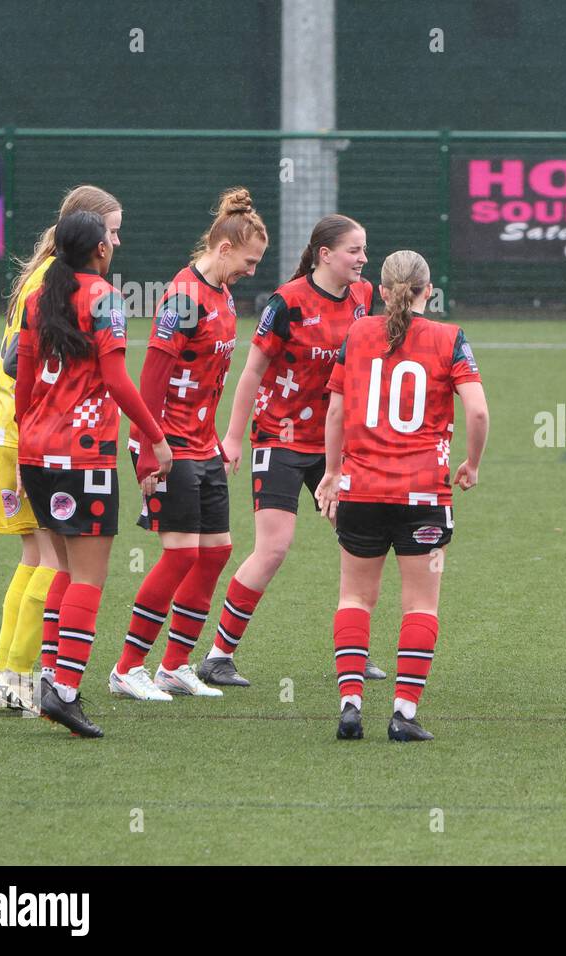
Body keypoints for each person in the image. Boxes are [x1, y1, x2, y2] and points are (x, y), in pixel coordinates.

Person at [200, 215, 379, 687]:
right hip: (278, 439)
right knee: (274, 548)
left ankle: (355, 651)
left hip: (333, 444)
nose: (363, 259)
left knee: (359, 541)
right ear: (325, 254)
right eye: (354, 250)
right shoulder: (287, 302)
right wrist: (233, 437)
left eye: (364, 250)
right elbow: (252, 372)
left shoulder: (364, 297)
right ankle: (218, 656)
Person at [316, 249, 487, 742]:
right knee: (420, 606)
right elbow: (477, 412)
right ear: (427, 291)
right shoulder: (449, 337)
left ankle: (350, 705)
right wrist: (472, 463)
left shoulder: (358, 332)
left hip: (362, 491)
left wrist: (333, 473)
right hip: (424, 496)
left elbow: (334, 413)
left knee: (354, 597)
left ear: (382, 291)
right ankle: (403, 714)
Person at [15, 210, 172, 737]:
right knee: (87, 578)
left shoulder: (39, 296)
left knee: (64, 569)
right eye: (111, 236)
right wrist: (156, 436)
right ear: (99, 249)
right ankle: (64, 692)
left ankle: (49, 678)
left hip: (37, 450)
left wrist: (24, 445)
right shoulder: (104, 297)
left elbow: (24, 381)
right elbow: (118, 381)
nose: (116, 242)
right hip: (83, 455)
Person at [110, 187, 268, 700]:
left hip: (202, 446)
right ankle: (126, 668)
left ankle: (174, 666)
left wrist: (217, 438)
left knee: (216, 551)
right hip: (168, 443)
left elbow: (208, 380)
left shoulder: (223, 294)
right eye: (248, 261)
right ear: (223, 249)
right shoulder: (183, 297)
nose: (252, 271)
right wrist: (147, 449)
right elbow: (152, 379)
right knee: (179, 555)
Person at [0, 185, 122, 714]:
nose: (116, 241)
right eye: (112, 230)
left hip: (15, 430)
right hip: (40, 435)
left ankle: (6, 674)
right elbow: (24, 364)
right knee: (54, 562)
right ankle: (24, 676)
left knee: (35, 557)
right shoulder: (58, 282)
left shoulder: (43, 274)